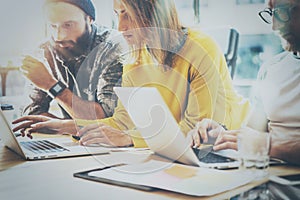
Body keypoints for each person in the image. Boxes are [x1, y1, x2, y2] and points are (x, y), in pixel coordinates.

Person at [14, 0, 250, 147]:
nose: (121, 27)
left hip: (226, 146)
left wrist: (130, 139)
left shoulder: (201, 48)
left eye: (127, 14)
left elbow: (197, 130)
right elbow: (122, 121)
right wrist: (60, 126)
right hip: (170, 148)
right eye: (118, 14)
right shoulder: (134, 55)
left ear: (153, 11)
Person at [189, 0, 300, 165]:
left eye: (283, 12)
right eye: (272, 13)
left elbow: (262, 143)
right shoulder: (271, 69)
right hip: (265, 179)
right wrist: (223, 136)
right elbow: (252, 132)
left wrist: (269, 145)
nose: (275, 27)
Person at [18, 0, 126, 121]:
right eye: (53, 26)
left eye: (68, 25)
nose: (59, 36)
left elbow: (106, 119)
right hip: (73, 138)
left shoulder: (112, 47)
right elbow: (31, 112)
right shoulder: (45, 52)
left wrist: (51, 85)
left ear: (90, 19)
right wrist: (61, 127)